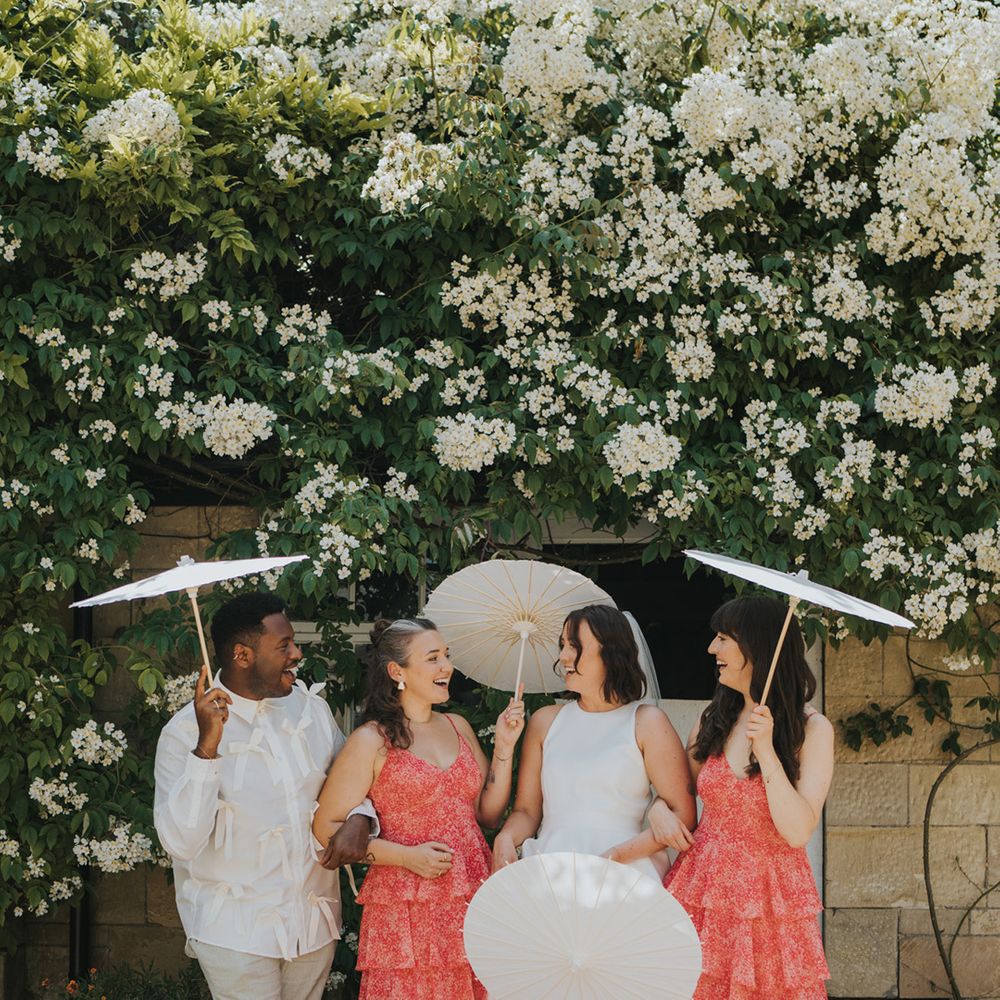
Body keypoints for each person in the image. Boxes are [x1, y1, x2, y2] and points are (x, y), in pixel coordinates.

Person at [154, 592, 377, 1000]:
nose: (296, 653)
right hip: (235, 929)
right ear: (242, 655)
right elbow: (181, 842)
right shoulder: (183, 733)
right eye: (284, 646)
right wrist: (207, 750)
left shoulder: (311, 711)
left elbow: (353, 783)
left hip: (311, 923)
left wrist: (360, 819)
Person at [312, 617, 525, 1000]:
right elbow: (325, 826)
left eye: (446, 655)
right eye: (433, 658)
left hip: (471, 891)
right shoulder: (371, 740)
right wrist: (406, 857)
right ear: (398, 671)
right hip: (406, 903)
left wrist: (506, 748)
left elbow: (488, 815)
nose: (447, 666)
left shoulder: (458, 725)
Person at [663, 595, 834, 999]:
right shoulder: (713, 719)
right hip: (703, 889)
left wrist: (768, 752)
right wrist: (659, 812)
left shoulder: (813, 729)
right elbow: (675, 794)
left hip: (769, 901)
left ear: (757, 646)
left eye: (724, 638)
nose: (712, 649)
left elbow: (797, 831)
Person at [492, 604, 696, 881]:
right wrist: (505, 837)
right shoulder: (545, 721)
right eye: (563, 645)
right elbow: (527, 812)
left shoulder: (647, 722)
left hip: (626, 868)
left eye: (575, 646)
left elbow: (683, 815)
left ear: (610, 653)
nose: (563, 656)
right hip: (552, 865)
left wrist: (611, 859)